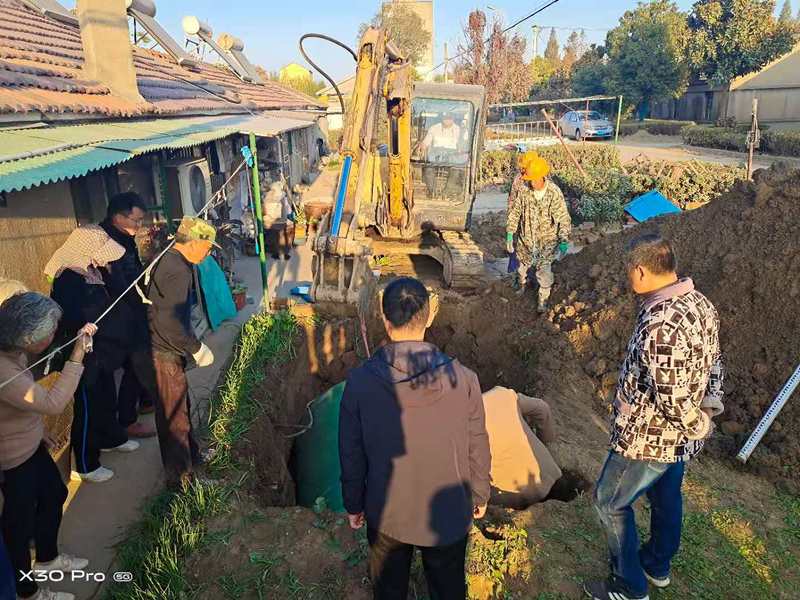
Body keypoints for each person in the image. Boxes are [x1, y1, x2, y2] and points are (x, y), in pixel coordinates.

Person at [582, 235, 724, 600]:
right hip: (676, 442)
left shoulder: (661, 324)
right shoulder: (700, 303)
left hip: (646, 439)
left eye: (629, 270)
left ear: (641, 271)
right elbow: (714, 361)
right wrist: (708, 405)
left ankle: (629, 586)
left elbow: (673, 399)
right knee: (666, 496)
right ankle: (656, 564)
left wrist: (700, 426)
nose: (628, 277)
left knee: (609, 502)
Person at [338, 277, 491, 600]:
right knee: (448, 588)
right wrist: (480, 493)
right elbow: (476, 440)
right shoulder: (464, 379)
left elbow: (351, 451)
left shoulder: (360, 382)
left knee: (388, 589)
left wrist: (354, 502)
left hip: (387, 512)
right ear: (430, 316)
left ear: (384, 318)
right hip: (448, 511)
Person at [0, 292, 98, 600]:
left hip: (29, 446)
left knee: (55, 493)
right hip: (12, 460)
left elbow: (15, 406)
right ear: (28, 338)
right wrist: (77, 355)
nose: (55, 332)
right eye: (51, 330)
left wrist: (39, 431)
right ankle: (26, 591)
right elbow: (52, 403)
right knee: (17, 528)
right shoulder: (4, 371)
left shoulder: (14, 351)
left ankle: (47, 559)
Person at [46, 226, 139, 484]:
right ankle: (85, 464)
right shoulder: (68, 278)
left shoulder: (92, 272)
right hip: (82, 353)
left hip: (102, 349)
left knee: (106, 396)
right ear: (85, 250)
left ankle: (111, 438)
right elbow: (71, 318)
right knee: (88, 405)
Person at [146, 216, 217, 486]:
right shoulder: (178, 270)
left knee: (180, 411)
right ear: (194, 243)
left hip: (164, 348)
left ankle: (193, 458)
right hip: (164, 352)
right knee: (175, 419)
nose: (208, 253)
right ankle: (182, 482)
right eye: (207, 247)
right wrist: (195, 347)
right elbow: (170, 321)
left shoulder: (170, 258)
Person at [100, 192, 156, 439]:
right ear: (118, 217)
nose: (140, 225)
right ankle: (127, 419)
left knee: (142, 358)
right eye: (136, 220)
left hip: (134, 306)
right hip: (121, 312)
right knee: (136, 361)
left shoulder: (125, 235)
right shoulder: (105, 241)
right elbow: (118, 284)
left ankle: (145, 400)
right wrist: (141, 302)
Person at [482, 386, 585, 508]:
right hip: (552, 477)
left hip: (515, 498)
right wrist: (545, 447)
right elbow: (542, 409)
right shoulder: (499, 395)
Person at [505, 152, 572, 311]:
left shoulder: (553, 193)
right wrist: (510, 233)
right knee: (522, 268)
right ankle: (522, 286)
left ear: (542, 177)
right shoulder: (524, 191)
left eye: (533, 179)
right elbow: (515, 213)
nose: (531, 183)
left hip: (546, 243)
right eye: (530, 179)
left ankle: (543, 299)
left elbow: (563, 219)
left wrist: (563, 240)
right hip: (526, 241)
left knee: (544, 272)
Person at [420, 114, 465, 198]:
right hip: (436, 153)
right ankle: (433, 192)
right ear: (442, 118)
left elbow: (461, 145)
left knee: (456, 169)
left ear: (453, 119)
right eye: (445, 118)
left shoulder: (458, 130)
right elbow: (425, 143)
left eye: (449, 118)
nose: (447, 120)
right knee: (428, 168)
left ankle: (446, 192)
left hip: (452, 154)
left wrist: (460, 149)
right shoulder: (434, 128)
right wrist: (423, 147)